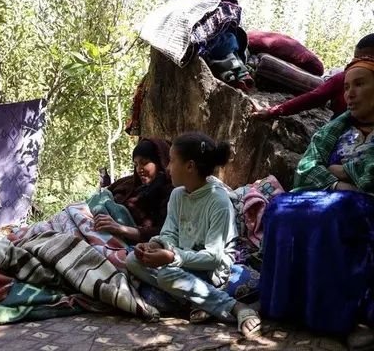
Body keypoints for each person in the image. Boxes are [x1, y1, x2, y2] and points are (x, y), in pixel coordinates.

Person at [260, 57, 374, 344]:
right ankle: (285, 306)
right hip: (336, 197)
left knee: (337, 212)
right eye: (347, 86)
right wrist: (339, 182)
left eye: (360, 84)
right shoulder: (335, 129)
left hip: (364, 206)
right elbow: (307, 168)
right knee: (279, 207)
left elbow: (369, 178)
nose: (350, 93)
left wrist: (341, 169)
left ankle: (342, 316)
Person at [125, 132, 261, 337]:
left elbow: (214, 258)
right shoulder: (177, 195)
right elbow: (169, 233)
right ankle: (197, 301)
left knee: (166, 276)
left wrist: (173, 257)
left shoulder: (218, 201)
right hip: (182, 262)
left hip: (211, 270)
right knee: (132, 260)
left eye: (171, 161)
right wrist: (155, 246)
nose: (168, 167)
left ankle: (236, 307)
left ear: (189, 166)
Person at [252, 33, 374, 119]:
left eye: (365, 59)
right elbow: (314, 97)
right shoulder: (343, 78)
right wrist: (274, 111)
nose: (356, 64)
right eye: (355, 59)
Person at [93, 138, 173, 243]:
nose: (139, 169)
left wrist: (119, 228)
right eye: (136, 164)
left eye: (144, 163)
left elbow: (164, 233)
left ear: (160, 162)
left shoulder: (170, 193)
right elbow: (102, 195)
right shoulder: (128, 183)